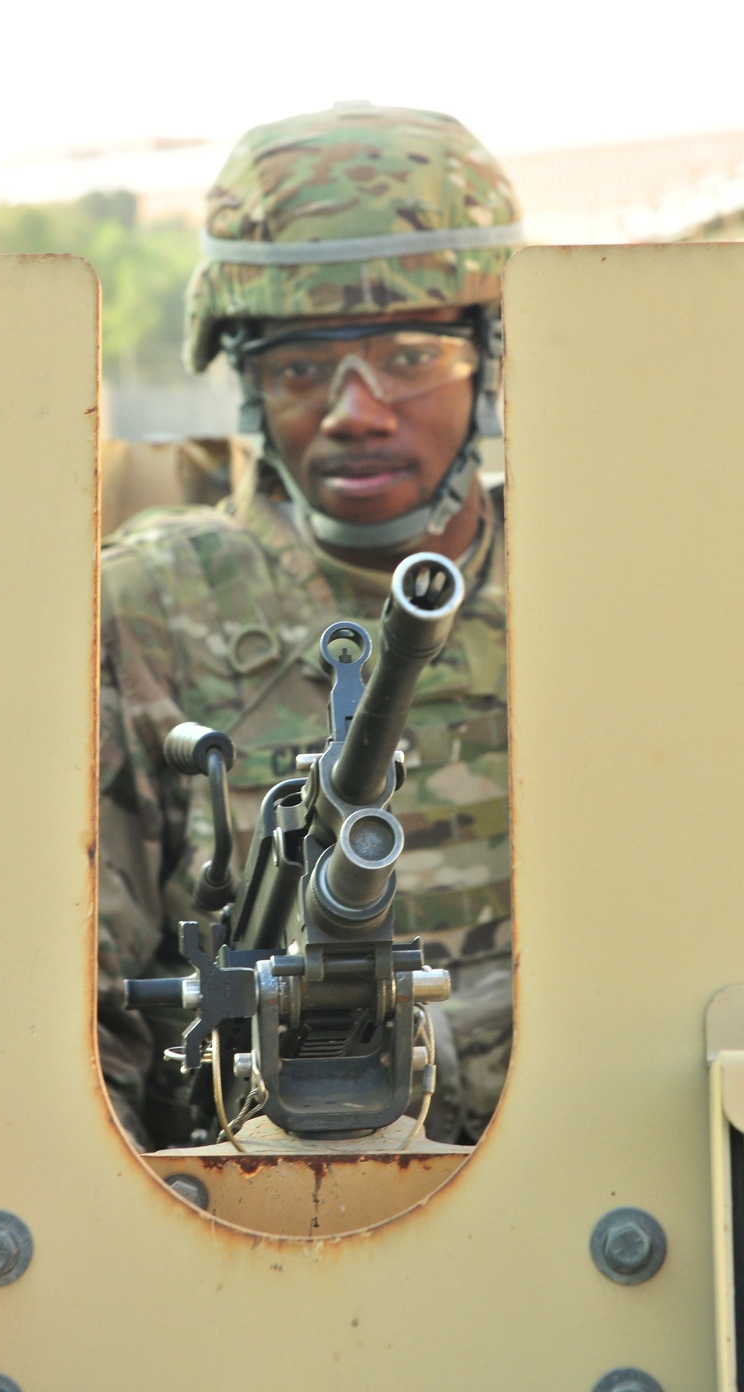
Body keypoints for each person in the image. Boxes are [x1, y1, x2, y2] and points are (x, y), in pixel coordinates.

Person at [98, 103, 523, 1150]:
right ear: (247, 384)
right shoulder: (147, 611)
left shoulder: (618, 589)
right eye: (300, 367)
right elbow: (72, 1026)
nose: (354, 410)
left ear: (491, 360)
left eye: (411, 355)